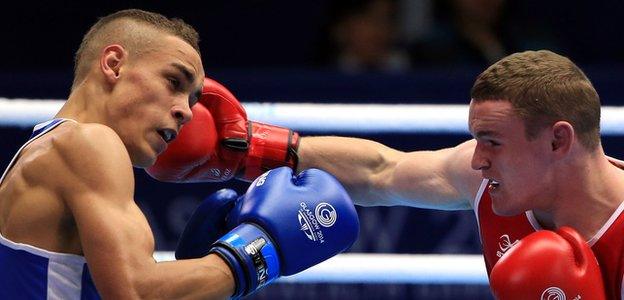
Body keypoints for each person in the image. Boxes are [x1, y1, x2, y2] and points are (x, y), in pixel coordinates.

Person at [152, 50, 624, 299]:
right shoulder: (484, 178)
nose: (478, 160)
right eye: (477, 140)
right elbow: (383, 171)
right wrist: (251, 151)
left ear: (559, 140)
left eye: (493, 143)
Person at [0, 9, 360, 299]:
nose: (186, 112)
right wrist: (258, 252)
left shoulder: (42, 150)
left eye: (192, 100)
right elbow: (137, 293)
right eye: (174, 82)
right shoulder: (87, 144)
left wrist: (199, 273)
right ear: (113, 64)